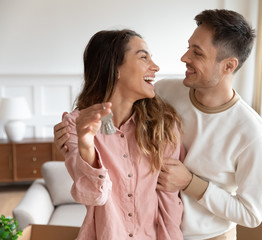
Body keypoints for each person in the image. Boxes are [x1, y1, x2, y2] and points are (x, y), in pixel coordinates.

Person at [55, 9, 262, 240]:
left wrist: (190, 183)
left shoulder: (251, 132)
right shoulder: (164, 93)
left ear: (228, 66)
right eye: (189, 47)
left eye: (197, 53)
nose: (184, 57)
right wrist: (76, 135)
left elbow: (252, 214)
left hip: (208, 237)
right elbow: (114, 98)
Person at [60, 29, 183, 240]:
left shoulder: (164, 124)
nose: (155, 67)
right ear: (114, 68)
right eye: (144, 57)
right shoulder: (74, 125)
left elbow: (169, 199)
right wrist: (87, 146)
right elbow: (92, 195)